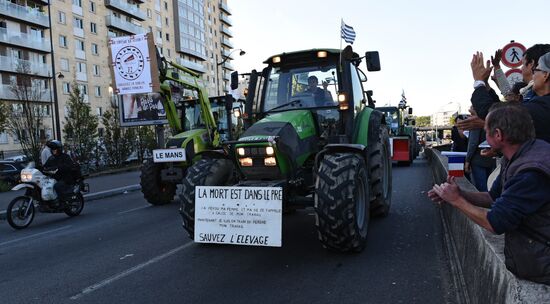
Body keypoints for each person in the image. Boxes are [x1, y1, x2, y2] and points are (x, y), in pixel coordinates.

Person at [428, 104, 550, 285]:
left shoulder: (529, 172)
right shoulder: (523, 154)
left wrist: (457, 201)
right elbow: (494, 198)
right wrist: (460, 193)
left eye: (486, 131)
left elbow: (495, 222)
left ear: (498, 135)